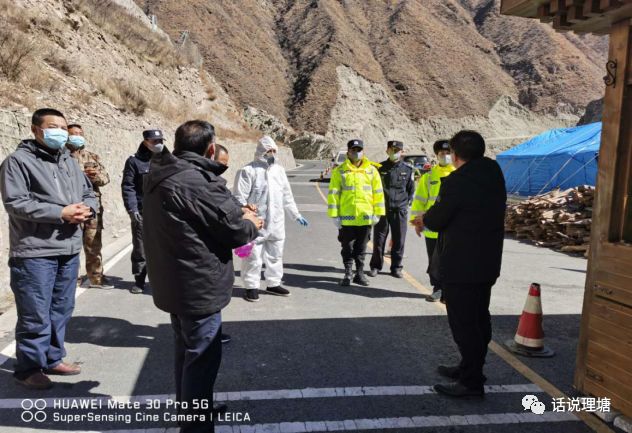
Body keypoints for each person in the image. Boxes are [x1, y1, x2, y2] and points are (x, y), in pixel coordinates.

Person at [143, 120, 262, 432]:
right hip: (196, 284)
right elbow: (234, 231)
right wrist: (251, 222)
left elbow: (200, 217)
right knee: (201, 359)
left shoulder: (163, 171)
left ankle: (195, 411)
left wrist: (237, 213)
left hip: (175, 280)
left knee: (187, 353)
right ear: (211, 149)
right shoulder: (194, 181)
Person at [0, 108, 97, 389]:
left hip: (68, 248)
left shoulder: (69, 161)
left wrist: (87, 209)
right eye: (53, 126)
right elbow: (15, 202)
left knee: (62, 308)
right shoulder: (18, 162)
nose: (61, 132)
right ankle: (29, 368)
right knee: (35, 312)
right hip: (34, 251)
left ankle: (53, 357)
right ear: (35, 129)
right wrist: (61, 212)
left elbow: (89, 192)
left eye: (64, 127)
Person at [412, 130, 506, 398]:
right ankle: (470, 367)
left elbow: (439, 218)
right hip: (487, 263)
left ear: (455, 154)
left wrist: (423, 219)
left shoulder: (456, 181)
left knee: (465, 325)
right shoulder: (493, 173)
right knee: (479, 318)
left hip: (461, 266)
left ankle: (471, 382)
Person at [233, 136, 309, 302]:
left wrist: (296, 215)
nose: (272, 154)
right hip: (255, 223)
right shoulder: (248, 171)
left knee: (275, 255)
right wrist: (245, 214)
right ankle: (251, 286)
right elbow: (239, 198)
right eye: (269, 151)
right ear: (261, 151)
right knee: (252, 256)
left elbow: (287, 196)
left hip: (276, 223)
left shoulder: (279, 171)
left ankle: (273, 283)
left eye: (274, 150)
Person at [328, 139, 385, 286]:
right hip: (347, 218)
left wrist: (378, 213)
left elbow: (378, 193)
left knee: (361, 248)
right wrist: (334, 215)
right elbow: (334, 194)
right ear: (348, 152)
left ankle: (359, 273)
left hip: (365, 217)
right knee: (347, 247)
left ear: (363, 152)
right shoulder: (339, 171)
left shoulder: (372, 171)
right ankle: (348, 272)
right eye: (353, 150)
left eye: (359, 150)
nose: (356, 153)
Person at [66, 124, 113, 289]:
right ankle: (70, 280)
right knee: (70, 244)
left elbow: (105, 179)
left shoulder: (91, 157)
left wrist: (94, 177)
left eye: (80, 133)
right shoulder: (61, 157)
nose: (77, 136)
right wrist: (79, 176)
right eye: (74, 133)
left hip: (92, 207)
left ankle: (96, 278)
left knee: (93, 243)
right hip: (70, 207)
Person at [410, 139, 455, 302]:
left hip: (452, 228)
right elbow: (419, 201)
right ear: (436, 155)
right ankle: (437, 288)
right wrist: (417, 222)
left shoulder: (459, 174)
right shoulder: (428, 177)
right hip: (432, 228)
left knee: (451, 260)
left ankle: (448, 290)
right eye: (442, 153)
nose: (445, 156)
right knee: (434, 261)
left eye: (448, 153)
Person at [122, 129, 164, 294]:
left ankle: (162, 280)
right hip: (142, 211)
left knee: (163, 247)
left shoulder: (167, 160)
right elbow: (128, 186)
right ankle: (139, 280)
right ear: (146, 141)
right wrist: (132, 209)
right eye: (154, 141)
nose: (158, 144)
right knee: (140, 248)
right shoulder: (134, 161)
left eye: (161, 140)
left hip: (164, 212)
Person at [368, 140, 415, 279]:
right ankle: (375, 266)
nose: (394, 153)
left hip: (399, 210)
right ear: (387, 151)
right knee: (379, 240)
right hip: (382, 209)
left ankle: (396, 268)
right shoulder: (379, 168)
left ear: (402, 152)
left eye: (397, 150)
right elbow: (373, 189)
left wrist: (405, 205)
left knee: (399, 240)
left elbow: (410, 190)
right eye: (392, 150)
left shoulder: (408, 169)